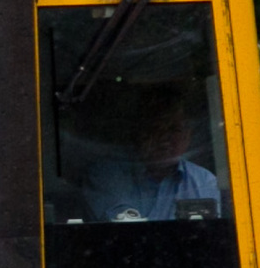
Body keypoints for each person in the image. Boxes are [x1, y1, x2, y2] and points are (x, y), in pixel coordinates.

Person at [79, 88, 221, 222]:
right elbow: (122, 233)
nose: (164, 137)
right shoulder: (106, 176)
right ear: (139, 132)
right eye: (156, 128)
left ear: (188, 135)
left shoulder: (204, 182)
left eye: (174, 129)